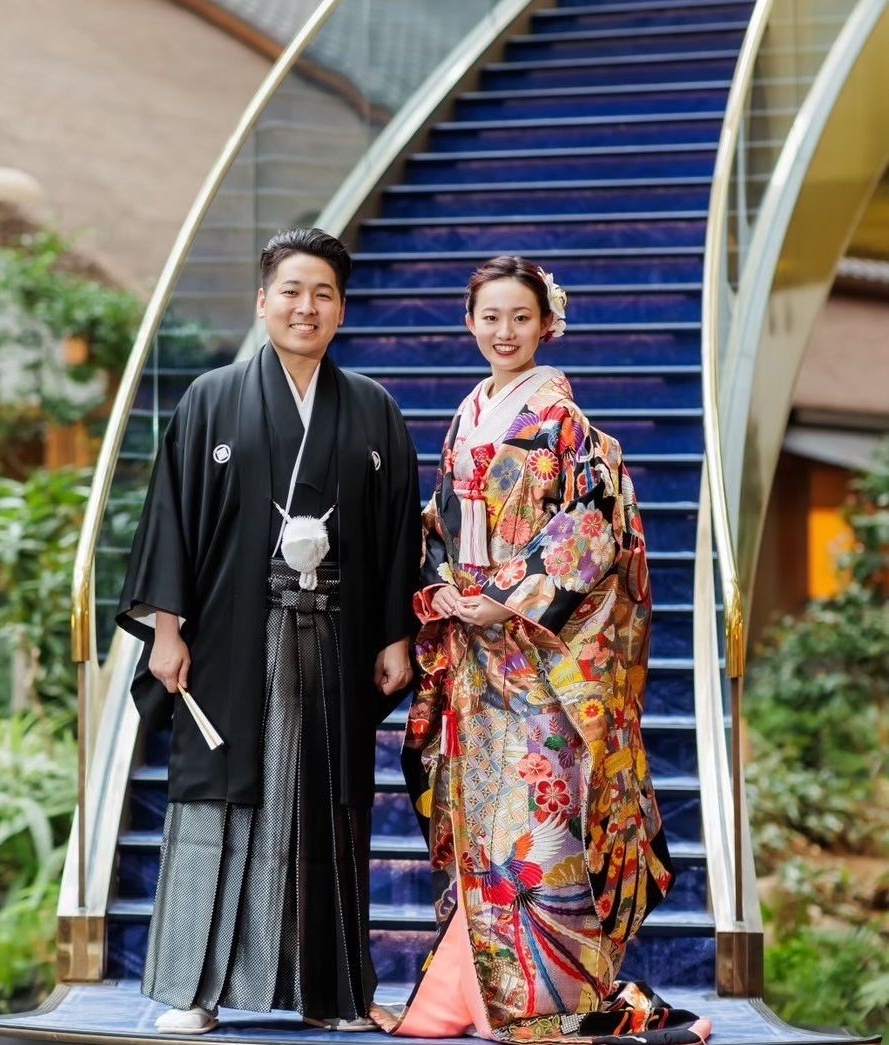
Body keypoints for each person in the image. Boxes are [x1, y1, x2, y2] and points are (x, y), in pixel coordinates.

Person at [378, 256, 710, 1044]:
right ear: (468, 322)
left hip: (538, 656)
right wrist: (444, 589)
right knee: (476, 816)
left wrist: (506, 594)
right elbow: (438, 523)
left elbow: (590, 530)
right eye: (490, 316)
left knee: (536, 817)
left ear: (546, 324)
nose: (504, 332)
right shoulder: (467, 415)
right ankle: (470, 992)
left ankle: (541, 995)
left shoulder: (566, 423)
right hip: (473, 652)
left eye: (519, 317)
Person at [115, 228, 420, 1034]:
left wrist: (395, 635)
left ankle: (331, 993)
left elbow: (397, 532)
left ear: (342, 309)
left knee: (326, 803)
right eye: (290, 290)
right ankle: (194, 991)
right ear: (262, 302)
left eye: (322, 293)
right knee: (218, 800)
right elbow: (172, 519)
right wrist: (166, 630)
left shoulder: (373, 409)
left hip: (335, 637)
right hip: (230, 635)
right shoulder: (211, 398)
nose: (305, 307)